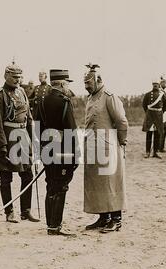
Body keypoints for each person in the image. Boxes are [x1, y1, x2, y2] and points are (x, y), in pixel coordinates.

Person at [0, 62, 39, 223]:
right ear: (6, 76)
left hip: (23, 137)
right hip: (8, 139)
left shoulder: (23, 92)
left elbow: (29, 118)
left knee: (28, 174)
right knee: (6, 177)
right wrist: (2, 146)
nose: (17, 80)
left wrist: (33, 141)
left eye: (19, 77)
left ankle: (26, 211)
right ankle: (9, 211)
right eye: (14, 77)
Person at [83, 64, 128, 233]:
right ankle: (103, 217)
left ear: (99, 80)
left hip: (108, 147)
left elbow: (122, 121)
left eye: (89, 83)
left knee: (111, 183)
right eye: (85, 83)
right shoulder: (91, 98)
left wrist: (121, 142)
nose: (86, 86)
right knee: (98, 184)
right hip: (93, 147)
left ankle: (116, 219)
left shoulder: (109, 97)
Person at [35, 69, 79, 236]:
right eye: (67, 83)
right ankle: (55, 227)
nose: (68, 86)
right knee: (61, 186)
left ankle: (50, 225)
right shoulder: (64, 102)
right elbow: (71, 131)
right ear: (61, 84)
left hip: (47, 149)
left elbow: (37, 128)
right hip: (64, 150)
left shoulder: (42, 101)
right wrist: (76, 155)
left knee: (50, 185)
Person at [142, 79, 166, 159]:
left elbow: (165, 106)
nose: (155, 85)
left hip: (159, 116)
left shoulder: (162, 94)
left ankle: (155, 152)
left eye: (156, 84)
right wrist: (149, 112)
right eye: (154, 84)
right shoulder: (147, 94)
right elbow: (144, 105)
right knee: (149, 134)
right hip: (150, 116)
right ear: (152, 85)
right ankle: (147, 152)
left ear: (159, 85)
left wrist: (160, 114)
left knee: (157, 134)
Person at [159, 77, 166, 152]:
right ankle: (160, 147)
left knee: (165, 129)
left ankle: (161, 147)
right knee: (162, 130)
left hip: (165, 113)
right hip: (161, 113)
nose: (165, 84)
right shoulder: (159, 92)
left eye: (165, 83)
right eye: (163, 82)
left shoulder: (165, 92)